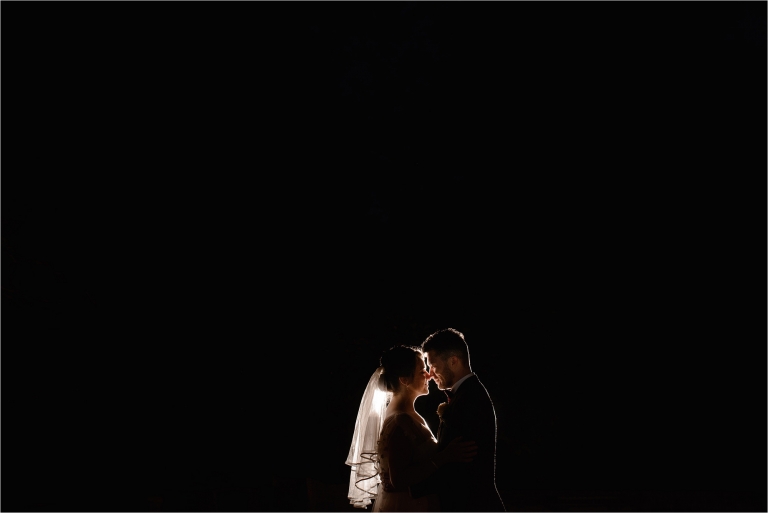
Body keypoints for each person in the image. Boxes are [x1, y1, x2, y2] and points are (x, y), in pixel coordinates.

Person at [346, 345, 478, 511]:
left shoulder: (407, 415)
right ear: (404, 380)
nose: (429, 375)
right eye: (422, 371)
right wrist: (444, 457)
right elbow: (398, 480)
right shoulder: (399, 421)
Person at [409, 329, 506, 512]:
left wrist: (407, 486)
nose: (430, 374)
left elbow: (458, 469)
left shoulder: (471, 399)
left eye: (433, 366)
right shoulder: (465, 394)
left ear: (453, 361)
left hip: (472, 504)